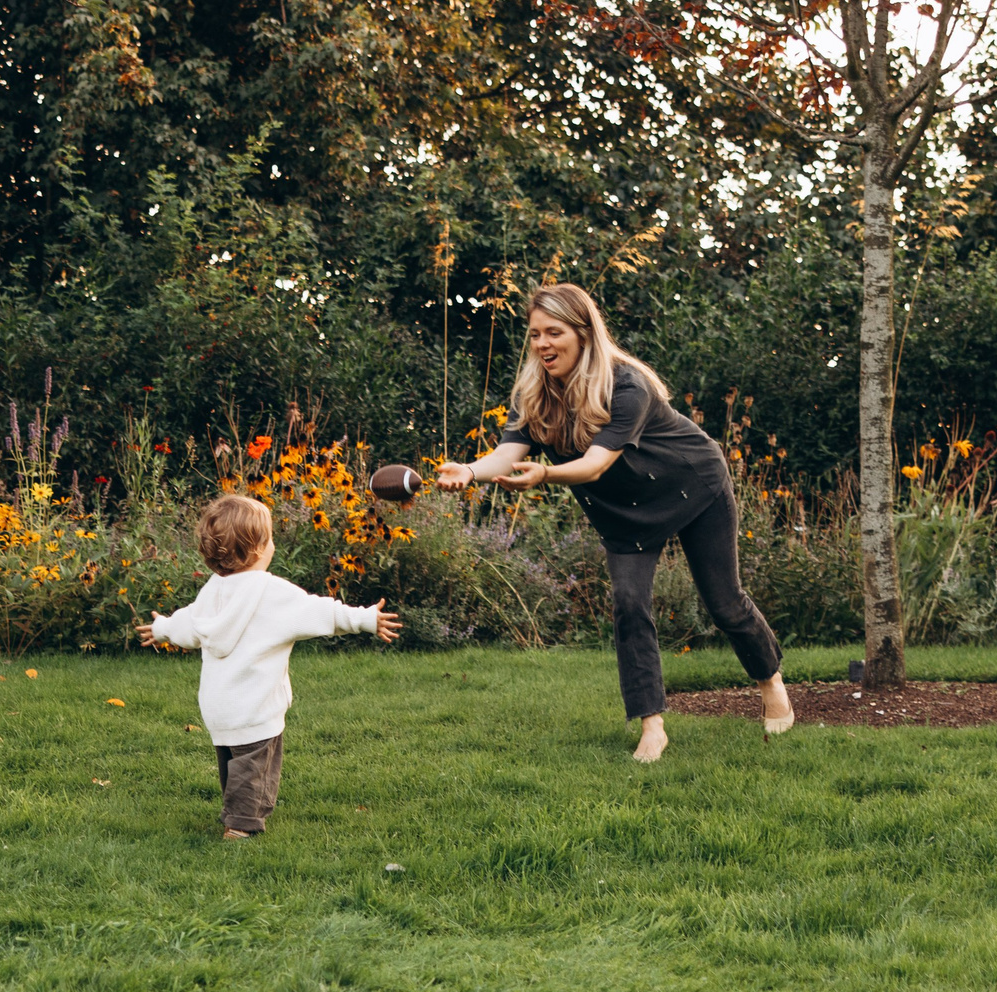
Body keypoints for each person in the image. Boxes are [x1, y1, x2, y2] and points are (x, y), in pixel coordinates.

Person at [435, 282, 794, 761]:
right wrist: (472, 472)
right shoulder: (535, 393)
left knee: (724, 602)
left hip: (692, 486)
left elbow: (596, 464)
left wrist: (544, 474)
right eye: (535, 334)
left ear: (583, 332)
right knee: (629, 605)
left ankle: (770, 680)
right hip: (624, 511)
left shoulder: (627, 384)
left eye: (554, 332)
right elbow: (507, 453)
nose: (542, 344)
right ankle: (652, 725)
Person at [137, 494, 403, 839]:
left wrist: (161, 628)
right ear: (260, 548)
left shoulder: (212, 591)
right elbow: (321, 612)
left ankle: (235, 808)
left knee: (234, 760)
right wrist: (365, 619)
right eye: (271, 537)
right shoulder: (272, 592)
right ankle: (241, 825)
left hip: (218, 706)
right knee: (255, 765)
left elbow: (189, 626)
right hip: (255, 704)